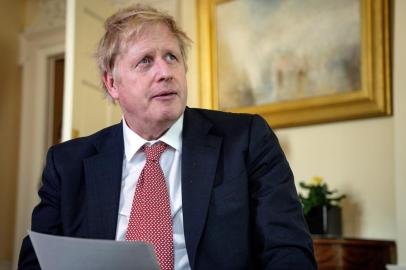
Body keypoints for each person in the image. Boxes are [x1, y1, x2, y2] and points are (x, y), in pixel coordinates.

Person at [18, 4, 316, 270]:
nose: (165, 71)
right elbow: (37, 261)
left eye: (171, 57)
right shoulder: (67, 163)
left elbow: (287, 249)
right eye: (145, 61)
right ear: (112, 84)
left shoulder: (246, 140)